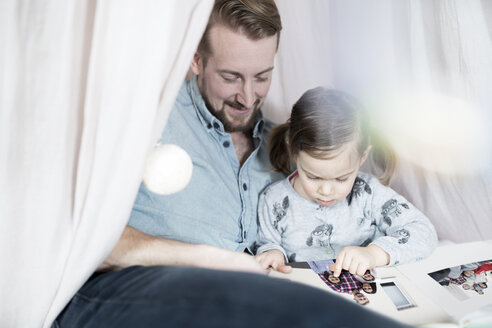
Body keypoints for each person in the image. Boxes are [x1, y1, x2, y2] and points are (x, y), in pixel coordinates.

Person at [54, 2, 414, 327]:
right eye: (230, 77)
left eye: (262, 77)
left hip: (243, 298)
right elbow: (72, 233)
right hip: (131, 287)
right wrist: (205, 259)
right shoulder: (147, 118)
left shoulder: (285, 147)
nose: (247, 97)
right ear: (196, 59)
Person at [255, 87, 438, 278]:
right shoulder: (273, 200)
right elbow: (267, 243)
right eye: (313, 176)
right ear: (293, 151)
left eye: (341, 178)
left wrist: (375, 254)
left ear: (362, 157)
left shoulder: (368, 193)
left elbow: (423, 232)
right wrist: (272, 253)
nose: (326, 191)